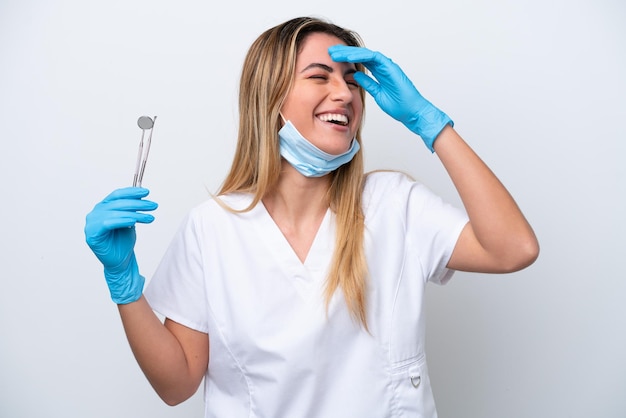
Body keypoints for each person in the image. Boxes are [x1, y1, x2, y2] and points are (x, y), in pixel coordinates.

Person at [85, 16, 539, 418]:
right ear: (271, 97)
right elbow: (176, 384)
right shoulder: (212, 228)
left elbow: (514, 249)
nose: (344, 93)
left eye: (352, 81)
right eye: (320, 77)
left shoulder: (395, 204)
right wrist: (124, 283)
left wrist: (429, 122)